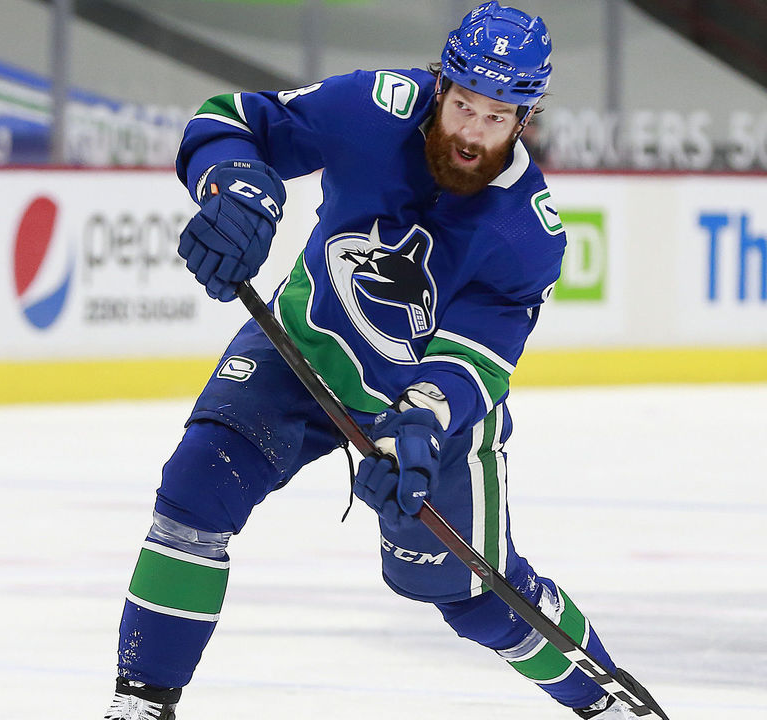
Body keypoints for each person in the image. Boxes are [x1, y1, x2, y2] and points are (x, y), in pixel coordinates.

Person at [104, 3, 661, 719]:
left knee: (476, 599)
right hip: (304, 348)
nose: (473, 133)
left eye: (497, 117)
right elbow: (231, 122)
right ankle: (141, 705)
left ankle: (606, 703)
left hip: (423, 414)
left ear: (525, 119)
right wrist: (233, 187)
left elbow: (474, 361)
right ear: (440, 86)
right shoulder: (373, 106)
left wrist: (417, 427)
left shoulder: (529, 232)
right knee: (194, 491)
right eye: (464, 106)